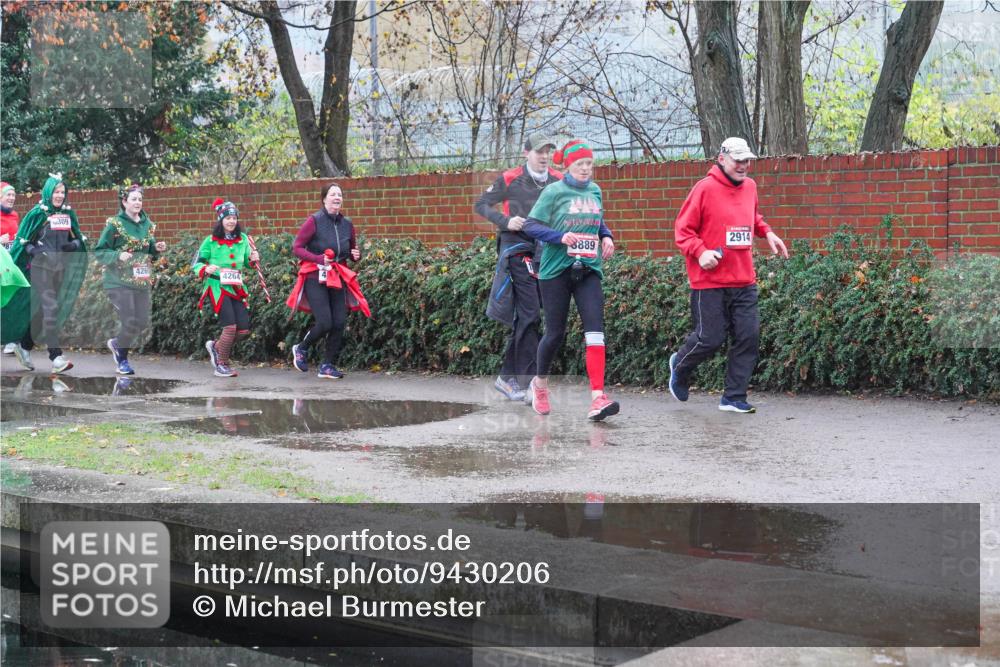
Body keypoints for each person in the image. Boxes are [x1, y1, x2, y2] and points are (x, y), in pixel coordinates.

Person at [667, 137, 789, 413]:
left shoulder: (750, 187)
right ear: (721, 159)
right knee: (709, 338)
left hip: (744, 279)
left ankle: (733, 397)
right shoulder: (705, 189)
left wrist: (767, 232)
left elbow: (752, 217)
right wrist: (700, 253)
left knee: (749, 336)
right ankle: (680, 365)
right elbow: (683, 230)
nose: (744, 165)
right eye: (738, 160)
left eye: (747, 160)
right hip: (709, 281)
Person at [522, 139, 619, 421]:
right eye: (580, 164)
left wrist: (606, 236)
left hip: (588, 268)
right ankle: (539, 384)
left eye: (589, 164)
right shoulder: (554, 192)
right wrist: (559, 237)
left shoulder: (595, 191)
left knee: (595, 332)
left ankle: (598, 397)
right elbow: (531, 225)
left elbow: (597, 219)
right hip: (556, 271)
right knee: (555, 333)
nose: (586, 169)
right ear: (569, 166)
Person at [475, 133, 562, 402]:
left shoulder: (557, 182)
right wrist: (505, 220)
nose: (544, 156)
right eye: (539, 151)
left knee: (529, 316)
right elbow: (481, 205)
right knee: (530, 314)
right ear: (526, 154)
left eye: (548, 151)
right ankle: (526, 384)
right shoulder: (511, 178)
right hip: (517, 249)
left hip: (545, 252)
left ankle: (506, 377)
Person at [0, 173, 88, 373]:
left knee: (41, 312)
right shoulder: (37, 214)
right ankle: (56, 357)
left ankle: (25, 345)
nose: (59, 196)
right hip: (39, 269)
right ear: (48, 192)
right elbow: (24, 243)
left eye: (63, 192)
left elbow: (78, 240)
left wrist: (70, 246)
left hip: (59, 270)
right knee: (51, 308)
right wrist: (38, 253)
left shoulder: (67, 214)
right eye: (56, 192)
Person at [287, 183, 369, 379]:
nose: (337, 198)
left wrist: (355, 255)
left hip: (338, 275)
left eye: (339, 195)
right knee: (325, 322)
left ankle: (327, 365)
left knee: (339, 322)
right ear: (324, 199)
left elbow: (351, 251)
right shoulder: (314, 221)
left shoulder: (347, 224)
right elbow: (297, 247)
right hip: (316, 276)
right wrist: (318, 259)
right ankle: (301, 347)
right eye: (333, 194)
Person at [94, 183, 167, 375]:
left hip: (140, 280)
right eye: (133, 199)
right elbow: (100, 251)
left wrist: (156, 248)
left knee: (141, 322)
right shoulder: (114, 224)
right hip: (117, 282)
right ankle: (123, 360)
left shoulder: (147, 225)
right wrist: (117, 255)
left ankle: (118, 344)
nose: (138, 202)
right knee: (129, 320)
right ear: (124, 201)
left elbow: (148, 250)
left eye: (140, 199)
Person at [193, 199, 259, 377]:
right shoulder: (211, 241)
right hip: (217, 287)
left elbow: (247, 262)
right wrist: (206, 268)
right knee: (230, 327)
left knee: (243, 330)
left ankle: (216, 346)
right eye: (228, 218)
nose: (231, 221)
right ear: (221, 220)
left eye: (234, 218)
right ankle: (222, 363)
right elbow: (196, 263)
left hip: (236, 287)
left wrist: (253, 259)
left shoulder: (243, 239)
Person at [1, 182, 21, 355]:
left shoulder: (14, 215)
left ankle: (11, 340)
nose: (11, 198)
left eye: (13, 195)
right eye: (8, 195)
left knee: (11, 299)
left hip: (10, 263)